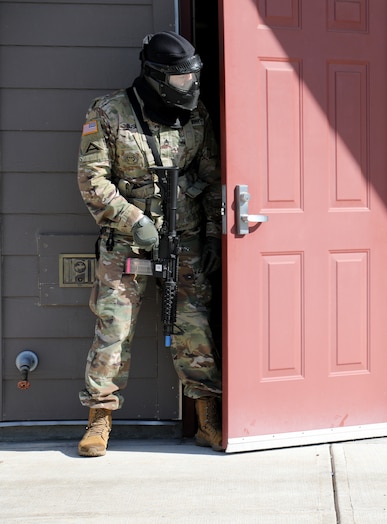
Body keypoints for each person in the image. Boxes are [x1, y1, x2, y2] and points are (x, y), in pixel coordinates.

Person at [76, 31, 223, 456]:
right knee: (115, 326)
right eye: (179, 81)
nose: (189, 87)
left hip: (186, 238)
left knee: (193, 326)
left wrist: (212, 233)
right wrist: (133, 219)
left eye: (191, 78)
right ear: (157, 76)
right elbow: (92, 179)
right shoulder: (109, 112)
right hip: (128, 241)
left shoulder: (196, 117)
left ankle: (207, 418)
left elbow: (212, 178)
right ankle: (99, 420)